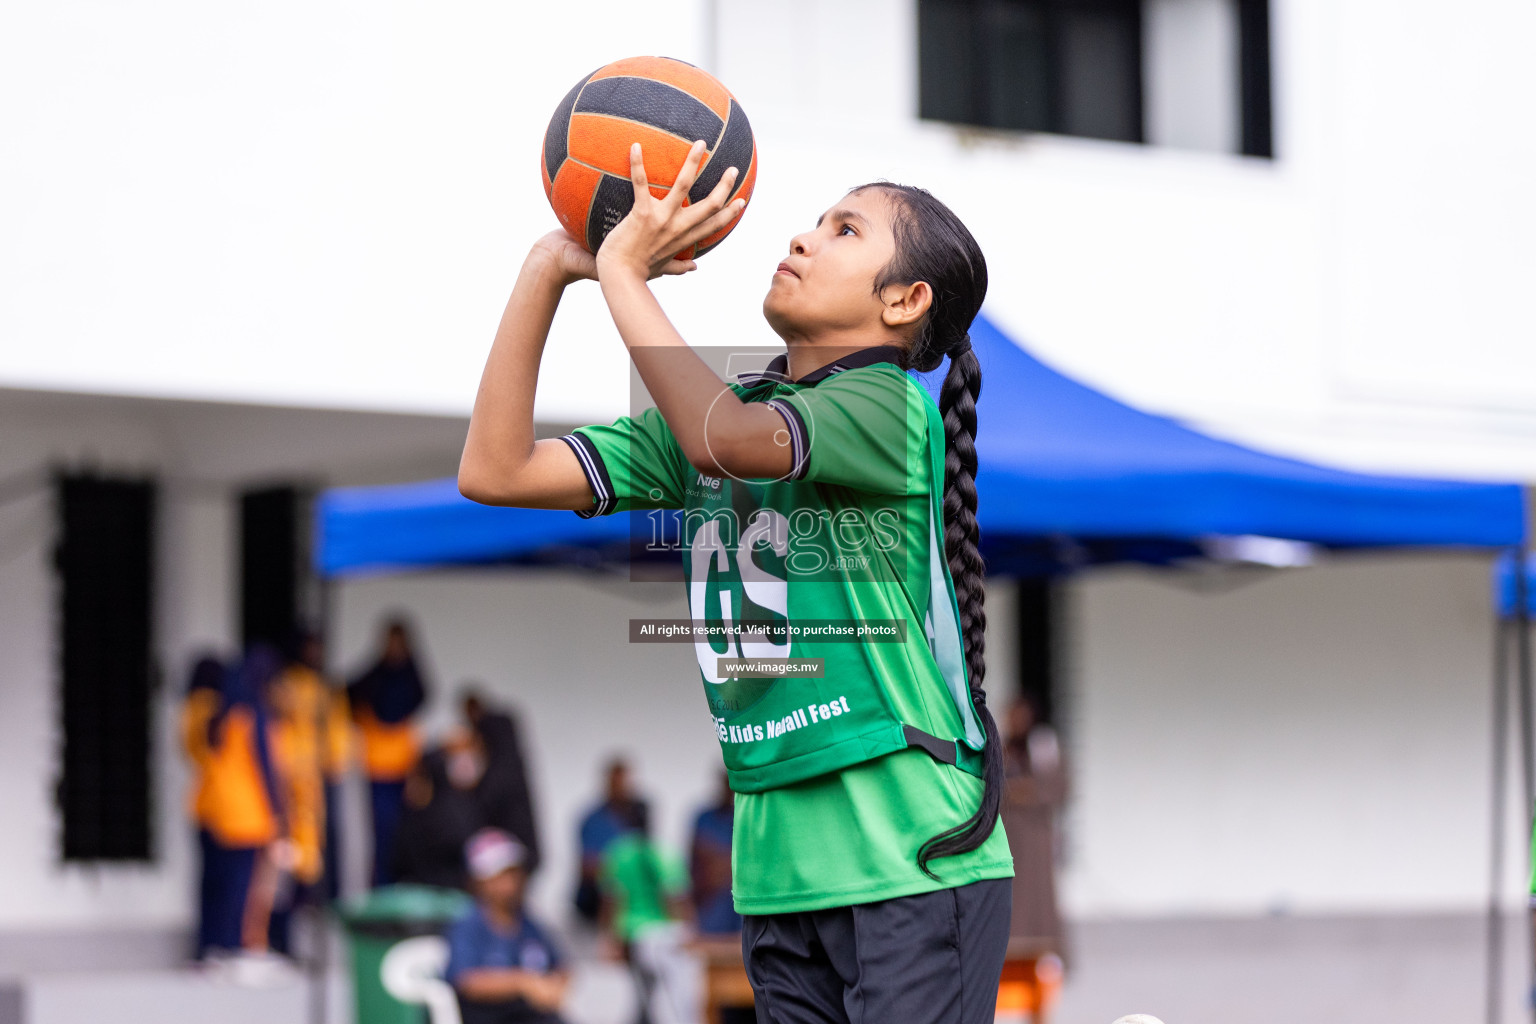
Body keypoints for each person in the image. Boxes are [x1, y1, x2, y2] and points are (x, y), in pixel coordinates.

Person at [459, 144, 1012, 1022]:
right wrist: (549, 269)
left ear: (903, 302)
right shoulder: (716, 419)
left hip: (909, 848)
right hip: (778, 870)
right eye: (818, 220)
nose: (802, 236)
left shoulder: (887, 404)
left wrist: (625, 277)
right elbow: (497, 469)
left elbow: (734, 440)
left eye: (844, 229)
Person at [445, 829, 570, 1024]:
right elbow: (466, 981)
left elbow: (560, 965)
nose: (511, 882)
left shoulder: (529, 923)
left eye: (515, 872)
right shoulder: (469, 925)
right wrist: (522, 983)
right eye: (502, 874)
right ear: (480, 881)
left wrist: (554, 986)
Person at [997, 697, 1068, 1023]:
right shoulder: (997, 746)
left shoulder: (1044, 749)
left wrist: (1025, 790)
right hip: (1007, 843)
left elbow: (1056, 790)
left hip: (1036, 851)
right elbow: (994, 788)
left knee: (1038, 915)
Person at [348, 617, 430, 887]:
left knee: (405, 836)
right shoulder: (374, 677)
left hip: (406, 768)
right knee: (381, 836)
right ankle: (380, 891)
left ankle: (399, 888)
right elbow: (348, 696)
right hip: (378, 769)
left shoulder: (412, 677)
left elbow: (420, 698)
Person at [600, 805, 699, 1024]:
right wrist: (690, 930)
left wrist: (610, 938)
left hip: (634, 935)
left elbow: (613, 901)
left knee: (645, 997)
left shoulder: (619, 853)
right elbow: (674, 897)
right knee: (671, 999)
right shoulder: (663, 852)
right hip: (663, 935)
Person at [464, 689, 542, 874]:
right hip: (520, 853)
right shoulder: (514, 764)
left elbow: (482, 809)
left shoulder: (498, 773)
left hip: (509, 856)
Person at [391, 747, 486, 891]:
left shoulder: (454, 814)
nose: (410, 788)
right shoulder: (412, 817)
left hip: (454, 896)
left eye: (416, 780)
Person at [574, 758, 649, 923]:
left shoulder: (638, 818)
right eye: (618, 783)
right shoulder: (593, 820)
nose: (623, 788)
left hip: (629, 909)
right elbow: (588, 867)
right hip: (594, 908)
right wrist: (621, 870)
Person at [689, 772, 739, 937]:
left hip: (739, 901)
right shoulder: (705, 817)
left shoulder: (744, 817)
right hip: (711, 900)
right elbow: (702, 854)